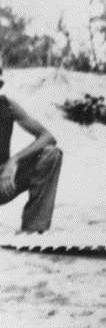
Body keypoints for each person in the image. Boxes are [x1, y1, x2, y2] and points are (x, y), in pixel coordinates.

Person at [0, 69, 62, 233]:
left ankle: (33, 229)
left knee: (52, 154)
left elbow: (47, 137)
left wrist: (14, 161)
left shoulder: (7, 105)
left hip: (4, 181)